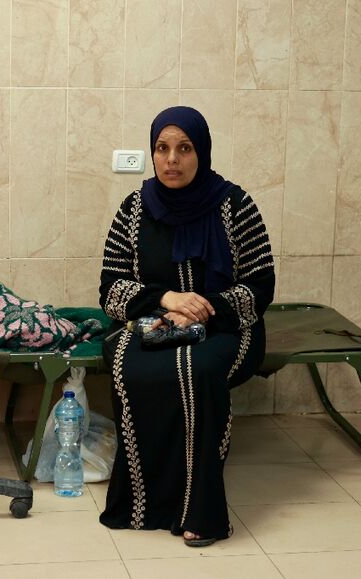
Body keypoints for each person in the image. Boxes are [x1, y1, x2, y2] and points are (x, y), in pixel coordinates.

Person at [98, 106, 275, 547]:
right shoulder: (135, 209)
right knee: (127, 362)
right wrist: (166, 300)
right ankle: (142, 500)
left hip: (227, 327)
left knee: (197, 372)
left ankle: (202, 511)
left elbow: (260, 286)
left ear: (202, 152)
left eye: (184, 148)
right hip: (154, 322)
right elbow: (110, 288)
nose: (171, 159)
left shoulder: (234, 205)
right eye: (162, 148)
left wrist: (202, 309)